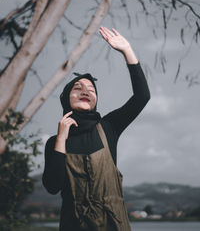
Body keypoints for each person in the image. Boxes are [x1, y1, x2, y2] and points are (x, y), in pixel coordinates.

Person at [42, 26, 150, 231]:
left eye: (91, 89)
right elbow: (52, 186)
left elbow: (142, 97)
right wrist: (61, 140)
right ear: (66, 98)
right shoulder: (54, 142)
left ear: (95, 100)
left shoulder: (108, 127)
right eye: (78, 88)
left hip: (114, 225)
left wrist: (127, 50)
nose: (85, 90)